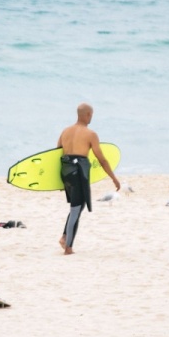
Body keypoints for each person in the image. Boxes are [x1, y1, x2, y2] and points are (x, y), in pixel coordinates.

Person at [57, 102, 121, 255]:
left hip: (66, 171)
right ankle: (68, 247)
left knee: (77, 206)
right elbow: (102, 159)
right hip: (78, 172)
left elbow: (56, 154)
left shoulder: (65, 131)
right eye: (91, 115)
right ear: (88, 115)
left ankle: (65, 236)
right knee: (76, 208)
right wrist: (113, 178)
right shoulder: (91, 134)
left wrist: (57, 181)